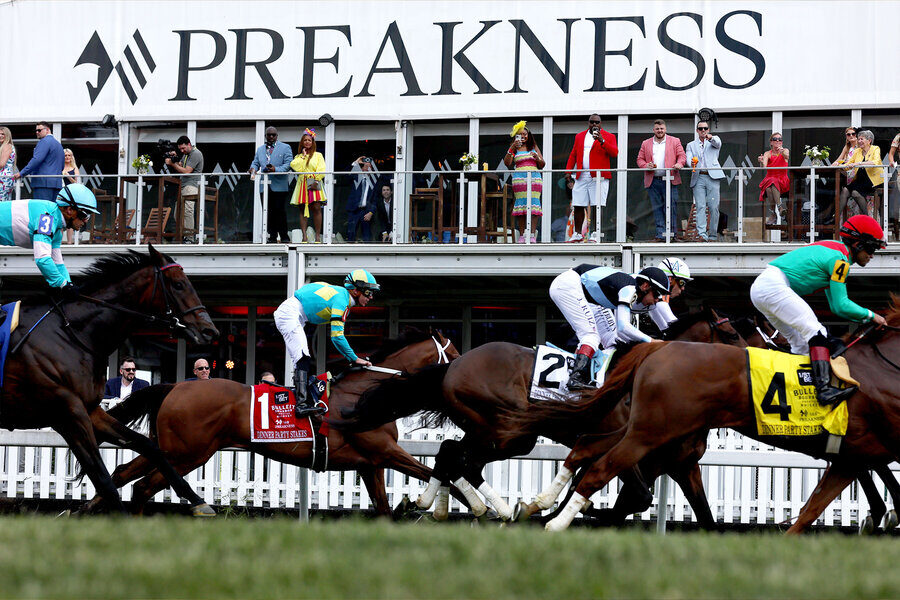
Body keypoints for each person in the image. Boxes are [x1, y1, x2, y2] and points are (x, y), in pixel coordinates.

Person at [749, 214, 887, 405]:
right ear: (858, 244)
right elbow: (841, 304)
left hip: (763, 288)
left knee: (800, 342)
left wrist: (866, 319)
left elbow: (836, 308)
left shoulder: (836, 251)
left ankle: (797, 390)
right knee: (817, 332)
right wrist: (872, 316)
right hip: (773, 286)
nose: (872, 255)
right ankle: (823, 390)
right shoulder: (840, 261)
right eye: (871, 249)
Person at [274, 269, 379, 417]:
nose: (371, 297)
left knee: (301, 359)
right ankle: (301, 405)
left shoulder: (341, 295)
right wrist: (354, 358)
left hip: (294, 314)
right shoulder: (342, 300)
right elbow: (336, 337)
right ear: (355, 291)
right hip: (290, 314)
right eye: (368, 292)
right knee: (303, 357)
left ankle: (302, 398)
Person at [549, 264, 669, 389]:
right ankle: (576, 377)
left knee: (615, 340)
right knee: (591, 337)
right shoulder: (629, 289)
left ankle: (602, 378)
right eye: (656, 294)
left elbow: (621, 333)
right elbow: (623, 326)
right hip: (568, 286)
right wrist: (651, 341)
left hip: (589, 298)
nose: (657, 300)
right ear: (645, 286)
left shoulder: (632, 289)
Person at [0, 183, 98, 294]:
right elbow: (42, 259)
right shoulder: (47, 218)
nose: (86, 221)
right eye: (85, 215)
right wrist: (63, 284)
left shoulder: (57, 227)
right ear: (69, 210)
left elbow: (58, 263)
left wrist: (68, 283)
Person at [564, 114, 618, 242]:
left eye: (597, 122)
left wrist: (602, 140)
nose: (594, 125)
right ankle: (577, 233)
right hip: (581, 175)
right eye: (592, 122)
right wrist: (568, 171)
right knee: (578, 204)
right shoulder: (580, 136)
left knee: (597, 205)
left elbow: (614, 153)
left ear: (601, 123)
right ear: (588, 123)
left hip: (598, 177)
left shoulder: (609, 136)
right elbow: (573, 154)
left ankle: (595, 232)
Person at [636, 119, 686, 242]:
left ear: (665, 129)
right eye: (657, 129)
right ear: (654, 130)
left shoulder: (675, 141)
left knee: (672, 207)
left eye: (662, 128)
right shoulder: (646, 143)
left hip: (670, 179)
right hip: (653, 180)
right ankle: (660, 235)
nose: (660, 131)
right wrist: (646, 165)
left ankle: (672, 234)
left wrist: (679, 164)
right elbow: (639, 160)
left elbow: (682, 156)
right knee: (657, 208)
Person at [250, 126, 293, 243]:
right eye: (269, 135)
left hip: (279, 185)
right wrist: (253, 169)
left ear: (277, 136)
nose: (271, 137)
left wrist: (275, 169)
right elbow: (255, 162)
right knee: (267, 212)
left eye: (273, 135)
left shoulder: (285, 147)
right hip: (264, 185)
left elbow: (288, 165)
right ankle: (272, 237)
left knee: (279, 211)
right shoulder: (260, 149)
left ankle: (284, 236)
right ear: (265, 136)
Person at [504, 121, 545, 243]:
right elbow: (507, 163)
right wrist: (512, 148)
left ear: (529, 135)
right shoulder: (514, 148)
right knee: (521, 206)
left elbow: (542, 164)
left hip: (534, 178)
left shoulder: (533, 146)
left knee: (534, 206)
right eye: (520, 134)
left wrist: (537, 158)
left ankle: (532, 235)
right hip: (519, 179)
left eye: (525, 134)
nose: (523, 136)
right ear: (516, 136)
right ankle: (522, 235)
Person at [685, 121, 725, 242]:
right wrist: (691, 163)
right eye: (700, 128)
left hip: (712, 176)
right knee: (700, 206)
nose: (703, 130)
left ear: (708, 129)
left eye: (705, 128)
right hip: (699, 177)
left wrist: (710, 137)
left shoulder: (714, 140)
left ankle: (712, 235)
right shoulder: (691, 144)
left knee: (714, 207)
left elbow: (717, 143)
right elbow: (688, 158)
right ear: (697, 130)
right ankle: (702, 234)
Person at [290, 128, 327, 243]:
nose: (307, 142)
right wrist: (303, 156)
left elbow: (322, 169)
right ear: (302, 142)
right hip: (302, 182)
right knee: (302, 209)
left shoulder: (318, 155)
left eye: (309, 140)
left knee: (316, 208)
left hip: (313, 180)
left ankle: (317, 236)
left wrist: (316, 181)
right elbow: (295, 167)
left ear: (313, 142)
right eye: (305, 140)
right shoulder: (298, 157)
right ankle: (304, 236)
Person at [166, 135, 204, 242]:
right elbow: (181, 166)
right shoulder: (186, 154)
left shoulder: (196, 153)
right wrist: (175, 158)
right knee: (177, 213)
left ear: (189, 144)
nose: (182, 150)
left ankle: (189, 237)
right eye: (180, 149)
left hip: (192, 185)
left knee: (188, 211)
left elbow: (187, 171)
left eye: (183, 148)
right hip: (184, 186)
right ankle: (183, 235)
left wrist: (172, 164)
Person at [14, 122, 64, 201]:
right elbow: (62, 165)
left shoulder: (44, 141)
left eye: (39, 130)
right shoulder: (58, 144)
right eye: (36, 130)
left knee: (43, 210)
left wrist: (22, 173)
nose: (37, 132)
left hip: (42, 183)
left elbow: (37, 160)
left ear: (47, 130)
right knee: (53, 210)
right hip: (56, 183)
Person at [839, 129, 883, 221]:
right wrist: (840, 165)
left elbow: (876, 162)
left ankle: (867, 219)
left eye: (861, 139)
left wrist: (858, 164)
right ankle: (836, 217)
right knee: (845, 190)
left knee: (855, 193)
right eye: (858, 139)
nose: (859, 141)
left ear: (869, 140)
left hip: (872, 180)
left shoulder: (875, 148)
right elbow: (849, 165)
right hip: (860, 180)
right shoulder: (857, 151)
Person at [757, 133, 790, 225]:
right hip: (771, 179)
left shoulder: (785, 150)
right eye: (775, 139)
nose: (778, 141)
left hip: (782, 180)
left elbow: (786, 156)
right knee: (770, 184)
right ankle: (780, 209)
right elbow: (764, 166)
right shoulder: (768, 153)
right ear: (771, 142)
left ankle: (773, 214)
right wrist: (761, 161)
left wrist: (782, 151)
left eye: (780, 139)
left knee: (769, 185)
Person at [346, 157, 378, 242]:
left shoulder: (374, 182)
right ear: (362, 168)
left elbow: (375, 200)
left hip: (366, 211)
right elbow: (347, 175)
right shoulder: (356, 178)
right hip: (354, 211)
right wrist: (356, 162)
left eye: (369, 167)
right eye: (365, 166)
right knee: (351, 234)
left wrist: (371, 212)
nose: (367, 168)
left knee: (367, 236)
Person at [61, 149, 81, 244]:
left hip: (71, 194)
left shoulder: (74, 168)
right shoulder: (59, 167)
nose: (67, 157)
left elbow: (77, 182)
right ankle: (59, 241)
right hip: (61, 194)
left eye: (69, 155)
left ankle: (69, 242)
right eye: (65, 155)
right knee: (60, 218)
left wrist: (68, 176)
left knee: (70, 218)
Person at [0, 127, 16, 202]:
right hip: (6, 177)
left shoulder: (6, 146)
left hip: (3, 177)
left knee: (2, 204)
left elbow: (2, 164)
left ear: (7, 135)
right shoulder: (8, 146)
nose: (0, 135)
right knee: (5, 202)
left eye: (3, 134)